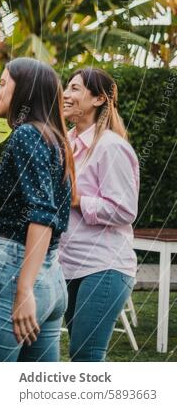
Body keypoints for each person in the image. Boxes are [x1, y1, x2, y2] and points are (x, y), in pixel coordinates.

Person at [0, 58, 73, 362]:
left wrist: (23, 289)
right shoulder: (55, 138)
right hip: (52, 280)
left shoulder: (26, 135)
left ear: (25, 91)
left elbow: (42, 215)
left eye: (3, 84)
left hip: (19, 274)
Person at [60, 68, 139, 361]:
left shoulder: (111, 147)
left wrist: (79, 200)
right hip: (68, 265)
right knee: (78, 352)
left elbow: (125, 209)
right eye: (66, 88)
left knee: (86, 354)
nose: (66, 95)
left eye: (76, 89)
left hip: (104, 266)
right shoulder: (65, 142)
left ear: (98, 99)